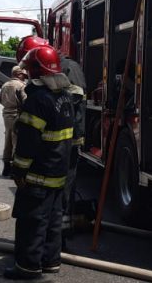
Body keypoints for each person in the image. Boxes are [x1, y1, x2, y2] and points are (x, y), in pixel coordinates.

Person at [5, 45, 75, 280]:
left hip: (38, 173)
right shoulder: (65, 96)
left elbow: (28, 141)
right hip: (59, 170)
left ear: (36, 70)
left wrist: (19, 169)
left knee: (32, 220)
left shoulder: (37, 99)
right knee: (54, 219)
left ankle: (28, 267)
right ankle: (50, 261)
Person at [60, 54, 86, 244]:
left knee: (63, 187)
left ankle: (59, 233)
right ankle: (62, 230)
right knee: (65, 186)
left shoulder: (67, 67)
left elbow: (74, 97)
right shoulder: (68, 66)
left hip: (67, 138)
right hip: (67, 137)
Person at [0, 66, 27, 177]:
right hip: (17, 115)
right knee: (16, 141)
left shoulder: (5, 85)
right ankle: (14, 170)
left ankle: (6, 167)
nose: (24, 78)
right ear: (18, 74)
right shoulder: (21, 86)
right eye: (23, 75)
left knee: (8, 139)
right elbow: (25, 101)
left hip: (6, 115)